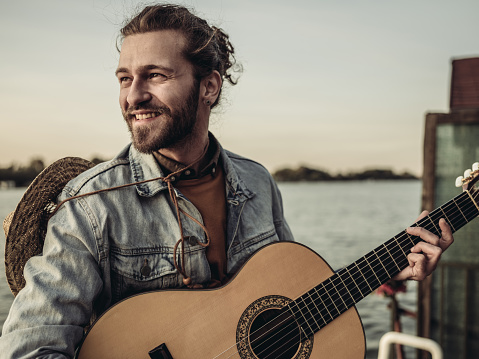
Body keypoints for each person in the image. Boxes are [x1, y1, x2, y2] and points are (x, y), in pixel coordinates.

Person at [0, 4, 453, 358]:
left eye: (154, 75)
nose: (133, 95)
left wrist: (386, 271)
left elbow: (289, 298)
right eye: (124, 78)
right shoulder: (90, 205)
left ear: (209, 87)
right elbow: (29, 349)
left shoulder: (257, 182)